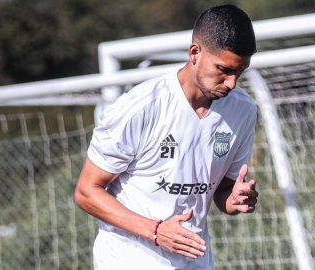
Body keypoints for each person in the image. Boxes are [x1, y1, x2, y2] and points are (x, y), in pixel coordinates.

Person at [75, 4, 258, 270]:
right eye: (224, 70)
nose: (231, 82)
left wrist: (235, 199)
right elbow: (86, 192)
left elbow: (223, 193)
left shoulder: (243, 110)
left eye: (239, 72)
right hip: (127, 260)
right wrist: (157, 231)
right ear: (195, 52)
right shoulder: (141, 106)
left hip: (194, 261)